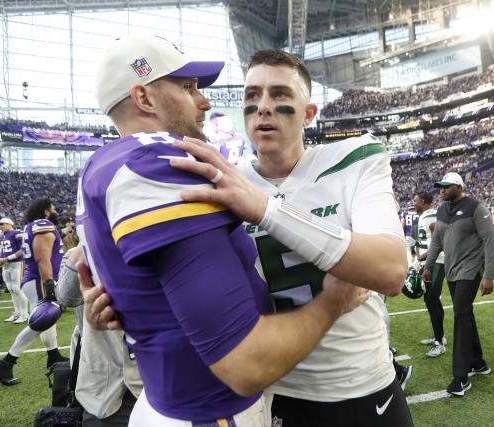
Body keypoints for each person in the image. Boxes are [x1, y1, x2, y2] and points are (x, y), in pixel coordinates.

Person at [77, 36, 373, 425]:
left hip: (172, 398)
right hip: (211, 409)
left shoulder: (104, 163)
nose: (204, 102)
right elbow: (245, 364)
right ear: (144, 99)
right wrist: (332, 302)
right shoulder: (155, 161)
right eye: (186, 88)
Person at [156, 48, 413, 425]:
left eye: (279, 95)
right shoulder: (223, 179)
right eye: (252, 96)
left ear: (309, 114)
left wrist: (265, 209)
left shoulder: (356, 157)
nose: (263, 106)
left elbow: (391, 270)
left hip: (364, 386)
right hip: (275, 394)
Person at [422, 172, 494, 397]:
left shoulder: (476, 207)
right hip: (452, 270)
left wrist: (489, 275)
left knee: (461, 315)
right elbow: (436, 241)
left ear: (458, 186)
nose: (441, 190)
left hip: (471, 270)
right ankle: (478, 363)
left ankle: (460, 377)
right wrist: (428, 266)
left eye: (446, 186)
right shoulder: (442, 210)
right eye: (440, 187)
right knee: (466, 314)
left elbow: (489, 241)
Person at [56, 244, 142, 426]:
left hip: (153, 380)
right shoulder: (78, 252)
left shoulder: (149, 242)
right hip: (102, 387)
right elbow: (66, 297)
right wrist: (88, 237)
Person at [0, 198, 68, 386]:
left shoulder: (31, 226)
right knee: (42, 319)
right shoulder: (43, 225)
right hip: (40, 279)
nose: (55, 211)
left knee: (48, 320)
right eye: (53, 208)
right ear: (46, 212)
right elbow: (42, 256)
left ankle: (53, 355)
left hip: (34, 278)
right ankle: (7, 361)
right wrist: (49, 282)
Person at [413, 190, 447, 358]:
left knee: (432, 300)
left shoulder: (432, 215)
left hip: (436, 262)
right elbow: (429, 239)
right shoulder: (424, 216)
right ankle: (440, 336)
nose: (414, 203)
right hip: (430, 262)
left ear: (424, 201)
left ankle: (439, 343)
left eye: (416, 200)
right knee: (431, 300)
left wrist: (421, 258)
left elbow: (439, 242)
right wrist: (418, 244)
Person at [0, 218, 28, 323]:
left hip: (17, 263)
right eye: (0, 225)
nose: (1, 226)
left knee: (17, 288)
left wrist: (7, 258)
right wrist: (0, 259)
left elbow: (23, 250)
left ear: (10, 224)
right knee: (10, 289)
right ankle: (17, 313)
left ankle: (24, 314)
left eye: (3, 224)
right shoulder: (1, 236)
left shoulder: (17, 233)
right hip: (6, 265)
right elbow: (2, 251)